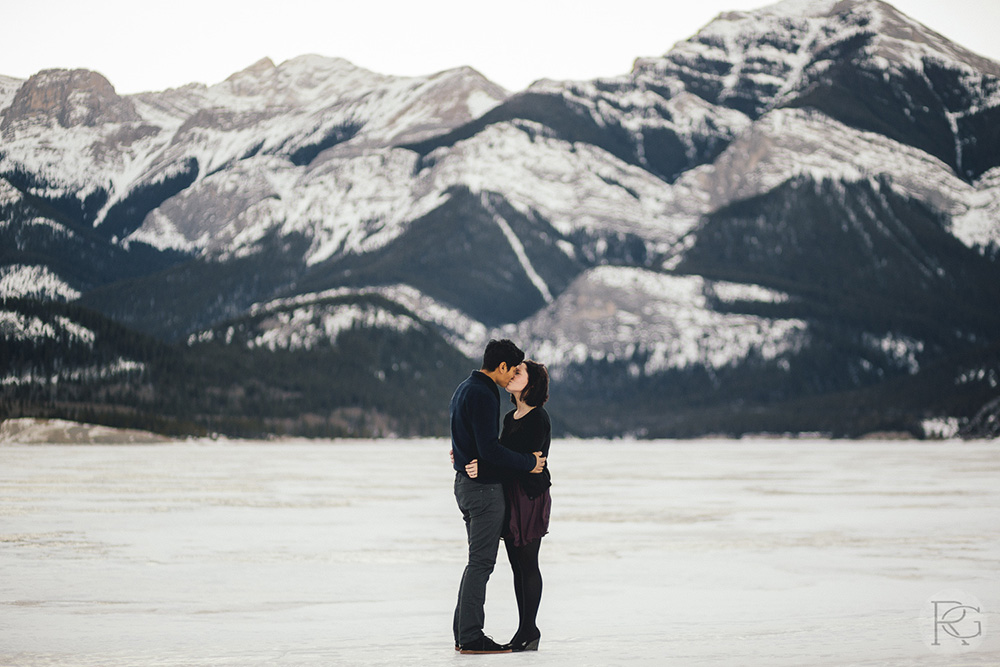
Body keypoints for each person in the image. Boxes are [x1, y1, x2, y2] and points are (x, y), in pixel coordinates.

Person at [450, 339, 546, 655]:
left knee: (481, 563)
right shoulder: (485, 394)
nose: (511, 377)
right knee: (480, 563)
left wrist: (467, 459)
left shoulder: (465, 387)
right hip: (483, 491)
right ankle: (470, 636)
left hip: (479, 487)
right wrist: (528, 463)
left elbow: (482, 446)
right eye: (512, 371)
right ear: (501, 367)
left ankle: (467, 631)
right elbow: (492, 449)